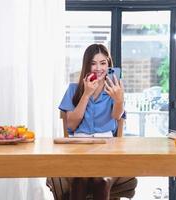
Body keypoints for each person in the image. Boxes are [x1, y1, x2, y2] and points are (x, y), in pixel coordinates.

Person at [59, 44, 125, 200]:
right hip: (79, 145)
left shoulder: (114, 89)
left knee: (100, 181)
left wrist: (118, 100)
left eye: (103, 63)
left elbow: (117, 116)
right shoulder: (73, 89)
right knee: (79, 181)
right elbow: (71, 125)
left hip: (107, 145)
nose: (98, 68)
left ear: (109, 65)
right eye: (93, 63)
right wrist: (86, 94)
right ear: (87, 65)